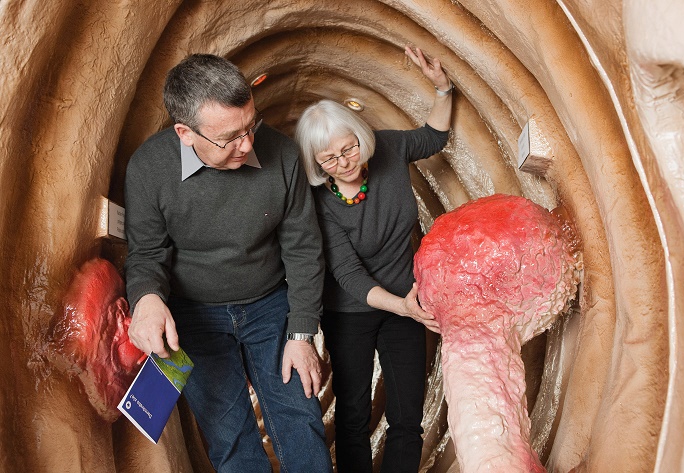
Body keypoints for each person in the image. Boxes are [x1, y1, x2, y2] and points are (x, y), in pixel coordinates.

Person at [123, 53, 332, 473]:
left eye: (250, 126)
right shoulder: (149, 168)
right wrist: (146, 299)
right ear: (185, 132)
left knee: (302, 422)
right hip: (193, 316)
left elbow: (304, 249)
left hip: (272, 306)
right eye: (230, 137)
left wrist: (303, 330)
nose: (249, 144)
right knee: (231, 441)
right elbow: (146, 254)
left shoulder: (283, 155)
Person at [293, 46, 452, 473]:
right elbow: (347, 273)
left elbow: (434, 136)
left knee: (406, 417)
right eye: (328, 159)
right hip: (350, 311)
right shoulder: (318, 202)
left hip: (406, 301)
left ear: (360, 138)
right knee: (352, 416)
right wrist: (402, 305)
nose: (343, 163)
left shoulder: (388, 149)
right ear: (315, 164)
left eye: (348, 149)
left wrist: (442, 87)